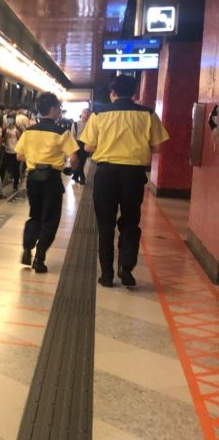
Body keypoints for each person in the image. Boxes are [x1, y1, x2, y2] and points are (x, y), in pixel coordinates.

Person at [80, 75, 169, 288]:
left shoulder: (99, 113)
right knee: (130, 221)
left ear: (112, 93)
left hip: (106, 174)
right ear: (134, 93)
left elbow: (88, 147)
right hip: (133, 175)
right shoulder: (148, 113)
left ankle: (107, 275)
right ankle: (126, 267)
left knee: (105, 224)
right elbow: (158, 147)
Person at [14, 93, 79, 273]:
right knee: (50, 219)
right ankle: (39, 259)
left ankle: (27, 247)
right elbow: (73, 158)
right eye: (58, 107)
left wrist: (34, 158)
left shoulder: (29, 131)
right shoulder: (62, 133)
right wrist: (71, 168)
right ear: (53, 109)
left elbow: (19, 155)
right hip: (51, 179)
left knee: (35, 215)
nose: (59, 111)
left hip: (33, 178)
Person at [1, 115, 22, 190]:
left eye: (11, 119)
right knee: (3, 168)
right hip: (7, 152)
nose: (9, 121)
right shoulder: (5, 129)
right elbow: (2, 140)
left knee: (15, 169)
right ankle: (0, 183)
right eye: (8, 119)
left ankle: (15, 184)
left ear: (14, 120)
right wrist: (5, 137)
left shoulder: (17, 130)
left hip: (15, 152)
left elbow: (20, 141)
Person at [71, 107, 90, 184]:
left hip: (86, 144)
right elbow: (72, 136)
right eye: (84, 112)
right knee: (79, 162)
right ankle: (82, 178)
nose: (86, 114)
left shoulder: (90, 125)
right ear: (81, 114)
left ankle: (75, 176)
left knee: (82, 162)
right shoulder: (75, 124)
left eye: (88, 113)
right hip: (77, 143)